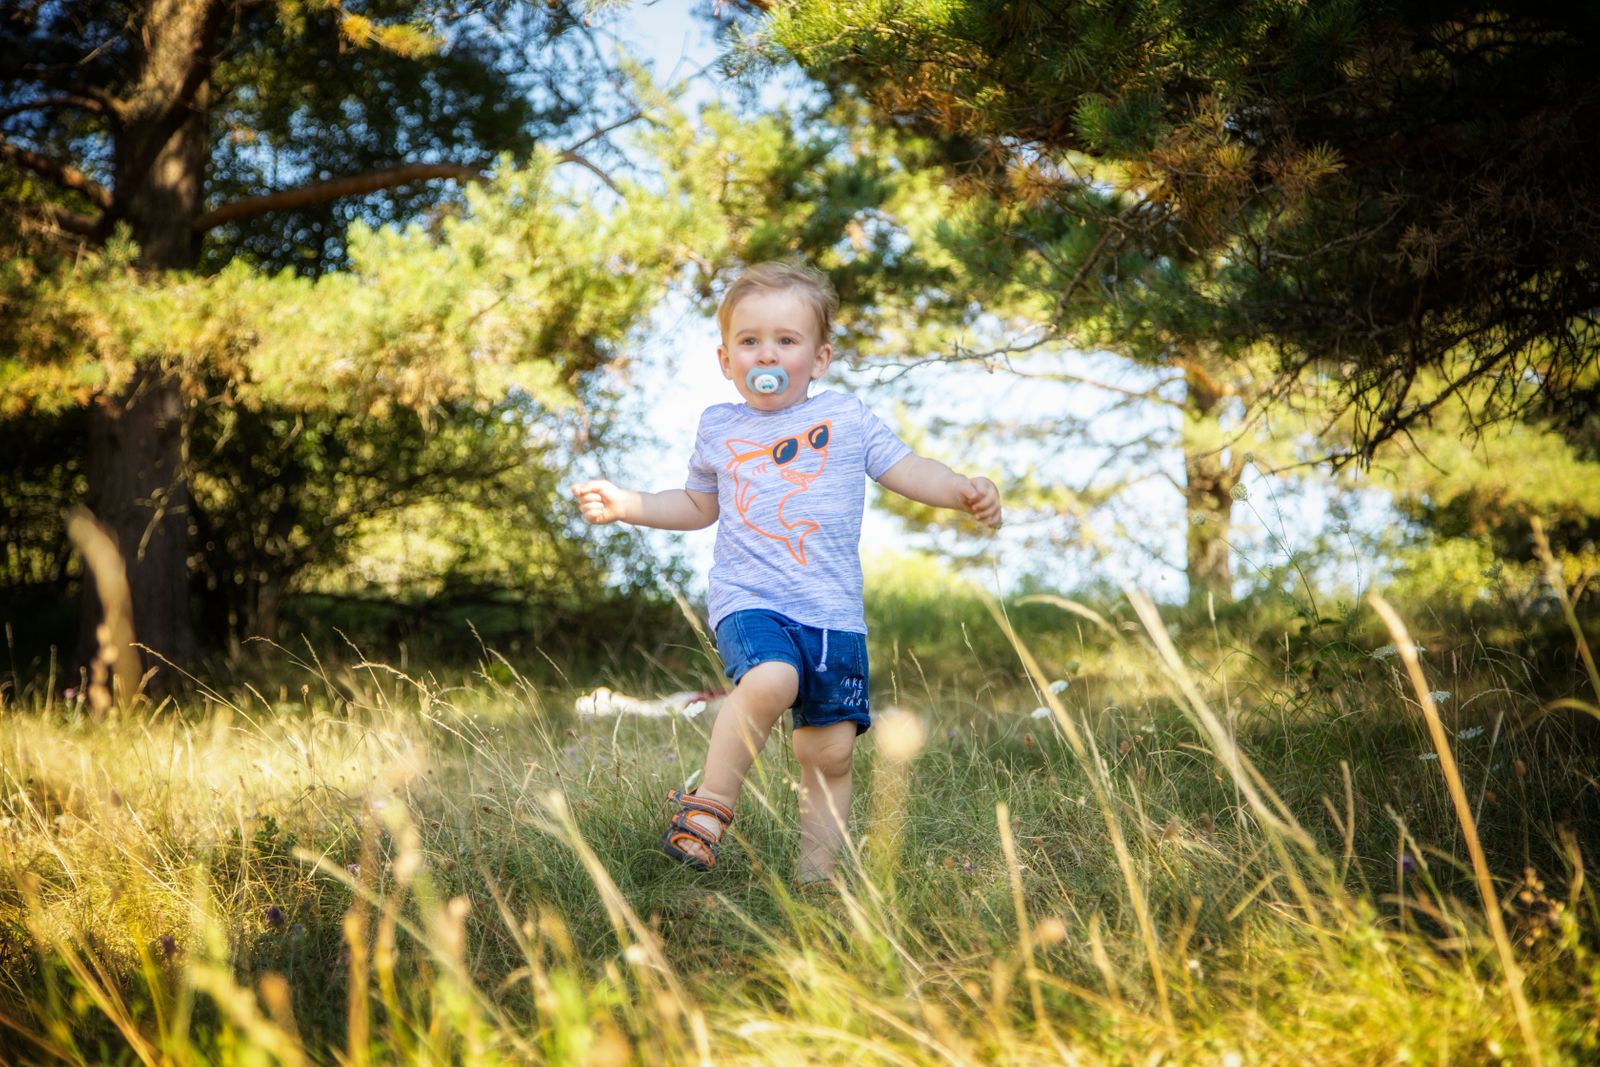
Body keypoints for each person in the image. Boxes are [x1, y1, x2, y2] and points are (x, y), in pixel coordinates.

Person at [571, 259, 1000, 887]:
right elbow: (697, 506)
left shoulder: (846, 419)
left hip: (833, 616)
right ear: (726, 360)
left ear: (819, 358)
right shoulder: (720, 427)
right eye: (750, 340)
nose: (766, 353)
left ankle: (816, 881)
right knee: (771, 678)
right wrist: (628, 504)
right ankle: (708, 808)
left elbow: (907, 467)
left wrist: (960, 488)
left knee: (829, 752)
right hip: (751, 599)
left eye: (786, 340)